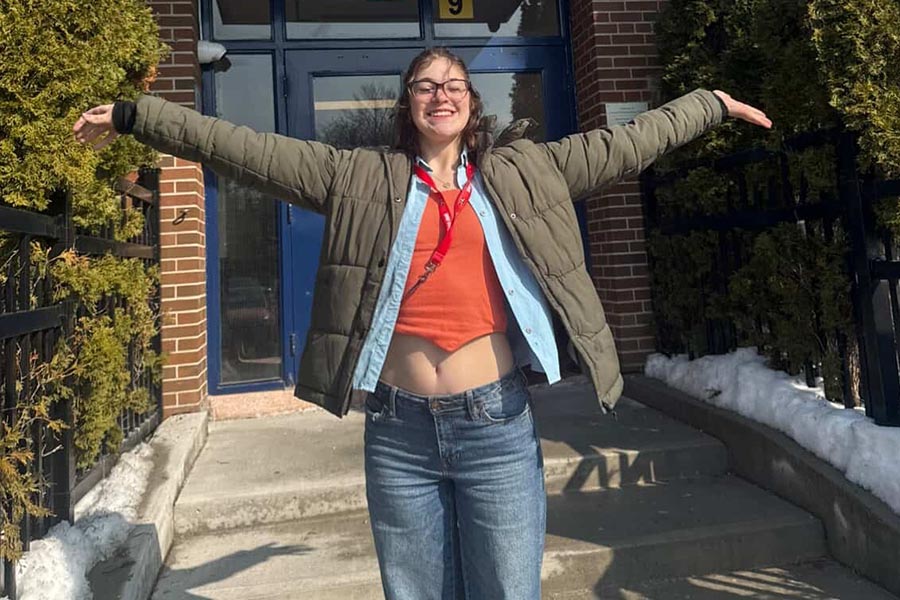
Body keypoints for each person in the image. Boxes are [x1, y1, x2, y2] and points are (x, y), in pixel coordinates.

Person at [74, 47, 771, 600]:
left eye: (454, 83)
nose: (441, 93)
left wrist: (708, 104)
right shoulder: (358, 177)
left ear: (473, 105)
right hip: (399, 431)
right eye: (425, 84)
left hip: (495, 425)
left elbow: (630, 143)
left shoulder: (528, 171)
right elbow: (240, 146)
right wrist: (137, 116)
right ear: (408, 105)